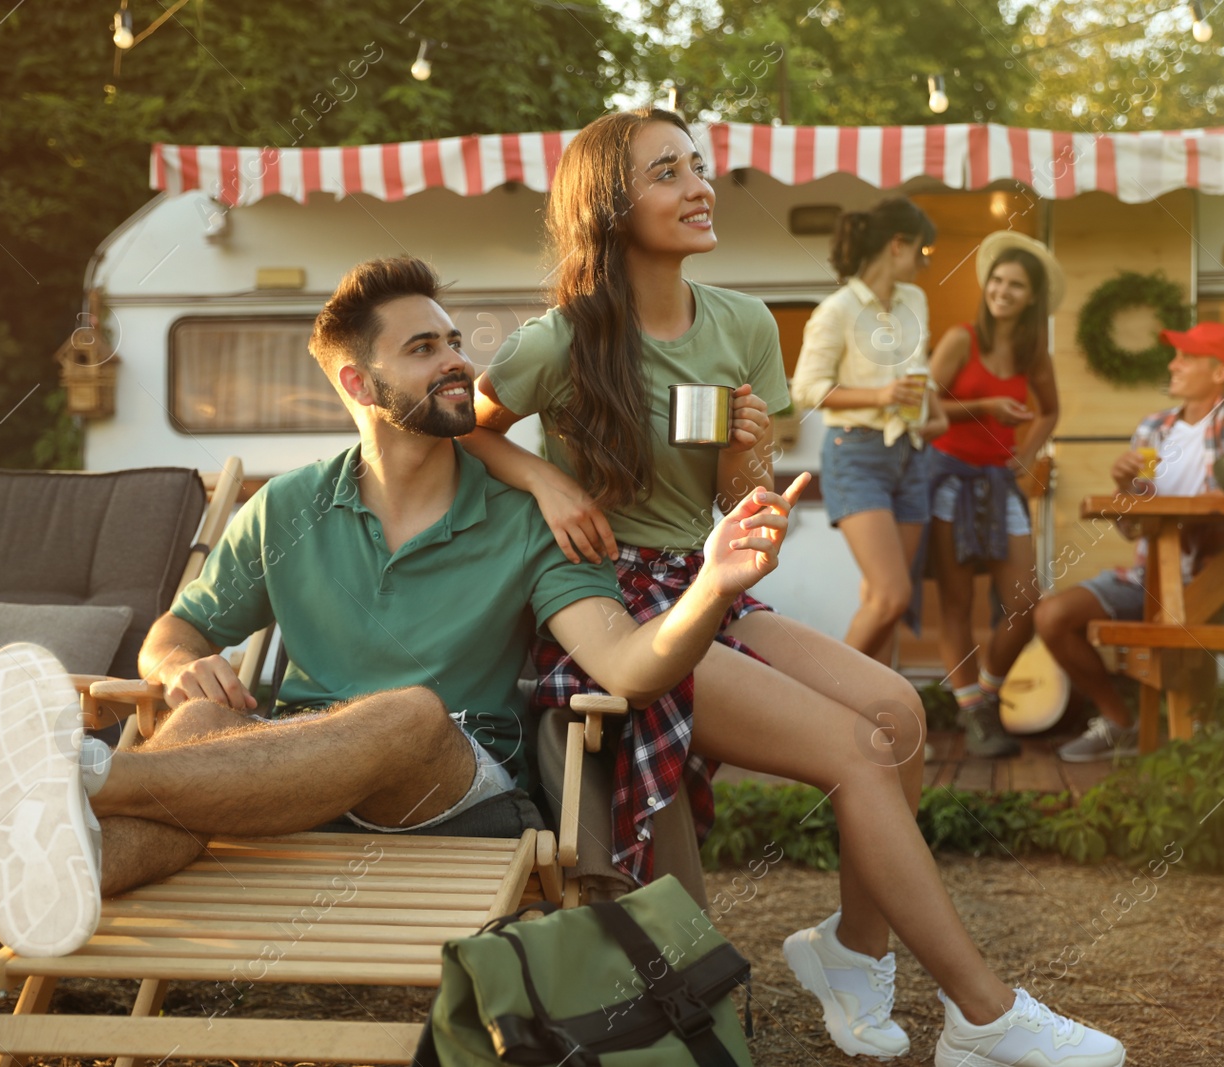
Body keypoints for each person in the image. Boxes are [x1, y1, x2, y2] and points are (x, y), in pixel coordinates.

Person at [465, 109, 1125, 1067]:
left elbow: (734, 505)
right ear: (610, 206)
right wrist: (547, 477)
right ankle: (984, 1015)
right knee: (858, 750)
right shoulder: (558, 340)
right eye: (667, 172)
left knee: (897, 708)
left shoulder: (737, 324)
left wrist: (750, 466)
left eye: (699, 164)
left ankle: (850, 952)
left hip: (704, 579)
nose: (699, 185)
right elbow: (470, 426)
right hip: (607, 601)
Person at [0, 255, 807, 961]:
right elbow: (175, 630)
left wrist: (710, 587)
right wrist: (176, 666)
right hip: (291, 778)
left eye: (454, 341)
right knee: (199, 720)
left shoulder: (527, 518)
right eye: (424, 348)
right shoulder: (288, 508)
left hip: (455, 785)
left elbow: (630, 665)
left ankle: (76, 775)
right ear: (358, 380)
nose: (458, 360)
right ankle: (60, 874)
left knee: (410, 711)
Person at [1036, 321, 1224, 762]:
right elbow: (1135, 527)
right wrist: (1126, 488)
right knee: (1051, 616)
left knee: (1183, 631)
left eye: (1187, 357)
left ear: (1219, 372)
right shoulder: (1154, 428)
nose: (1173, 364)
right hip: (1151, 575)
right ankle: (1121, 723)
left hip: (1221, 577)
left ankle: (1195, 742)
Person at [789, 197, 949, 660]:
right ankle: (825, 703)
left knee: (883, 602)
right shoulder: (836, 310)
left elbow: (919, 370)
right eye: (922, 252)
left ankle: (873, 720)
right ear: (897, 245)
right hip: (857, 453)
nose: (924, 264)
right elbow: (806, 389)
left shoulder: (913, 300)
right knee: (891, 595)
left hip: (912, 453)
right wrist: (879, 397)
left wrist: (933, 411)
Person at [924, 232, 1064, 759]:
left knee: (1025, 602)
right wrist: (986, 406)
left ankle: (985, 693)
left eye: (1016, 286)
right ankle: (973, 714)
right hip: (947, 477)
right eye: (998, 281)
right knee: (957, 603)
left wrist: (1025, 454)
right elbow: (926, 409)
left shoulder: (1033, 351)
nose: (1002, 291)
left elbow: (1050, 409)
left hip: (999, 482)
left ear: (1032, 298)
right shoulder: (962, 338)